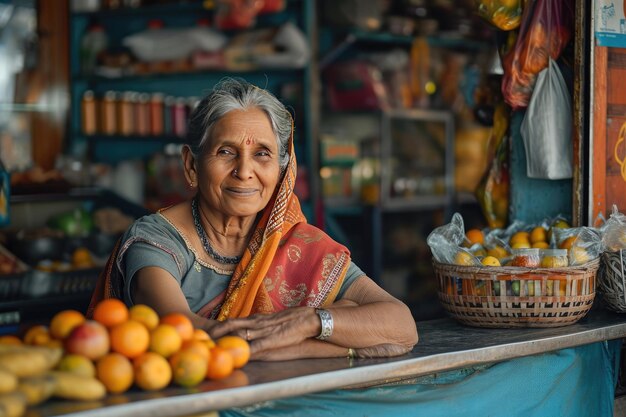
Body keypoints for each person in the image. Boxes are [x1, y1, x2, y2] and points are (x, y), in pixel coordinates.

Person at [89, 78, 418, 361]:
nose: (244, 171)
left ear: (281, 170)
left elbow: (401, 327)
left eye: (262, 153)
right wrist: (336, 340)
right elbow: (191, 338)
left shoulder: (298, 244)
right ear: (191, 165)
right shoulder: (155, 240)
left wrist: (310, 322)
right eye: (226, 152)